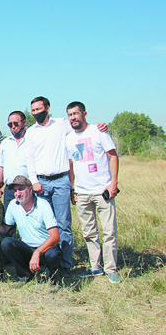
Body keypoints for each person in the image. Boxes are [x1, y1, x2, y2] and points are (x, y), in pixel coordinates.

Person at [26, 96, 108, 270]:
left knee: (63, 224)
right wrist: (34, 181)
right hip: (41, 183)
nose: (36, 113)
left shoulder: (62, 124)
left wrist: (101, 126)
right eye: (33, 110)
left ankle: (66, 263)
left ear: (47, 108)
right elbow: (30, 158)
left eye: (39, 109)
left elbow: (82, 126)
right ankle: (49, 261)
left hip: (61, 180)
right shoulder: (31, 132)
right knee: (45, 224)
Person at [66, 101, 121, 283]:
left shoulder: (98, 132)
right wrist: (73, 189)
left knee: (109, 231)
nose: (73, 117)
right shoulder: (69, 138)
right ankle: (95, 267)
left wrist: (113, 183)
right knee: (89, 232)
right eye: (70, 115)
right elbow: (71, 165)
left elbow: (113, 156)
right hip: (82, 192)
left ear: (84, 114)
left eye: (76, 113)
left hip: (101, 190)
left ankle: (111, 268)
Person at [0, 176, 62, 282]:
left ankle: (52, 276)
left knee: (53, 255)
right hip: (27, 248)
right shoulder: (13, 205)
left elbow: (55, 236)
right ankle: (24, 275)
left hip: (45, 249)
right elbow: (5, 229)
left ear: (30, 189)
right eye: (15, 191)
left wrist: (37, 252)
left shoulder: (43, 205)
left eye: (21, 189)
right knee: (6, 243)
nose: (17, 193)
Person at [0, 111, 29, 209]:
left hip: (26, 188)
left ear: (24, 122)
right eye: (10, 124)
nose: (13, 127)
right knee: (8, 221)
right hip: (10, 189)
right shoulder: (5, 143)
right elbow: (0, 165)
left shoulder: (31, 141)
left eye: (16, 123)